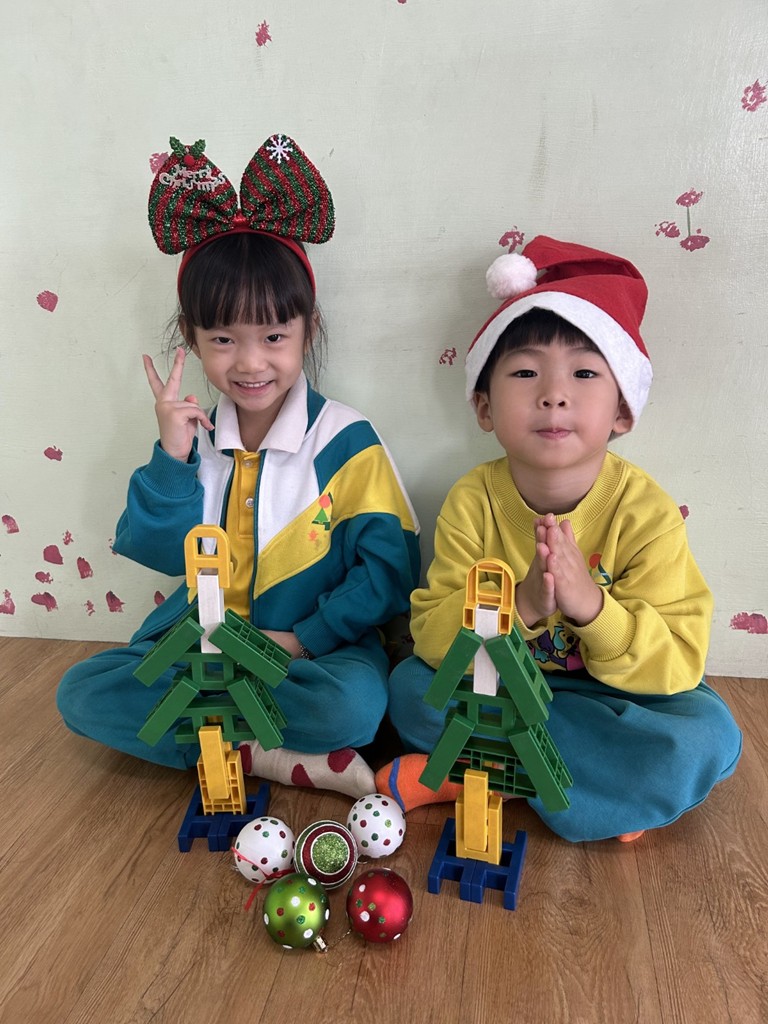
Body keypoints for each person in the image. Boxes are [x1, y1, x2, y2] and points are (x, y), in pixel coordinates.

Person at [57, 134, 420, 798]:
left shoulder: (347, 440)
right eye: (223, 339)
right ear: (191, 338)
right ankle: (266, 755)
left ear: (309, 329)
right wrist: (171, 457)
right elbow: (159, 552)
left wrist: (303, 639)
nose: (250, 363)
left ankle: (221, 739)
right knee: (81, 692)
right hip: (202, 644)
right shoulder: (192, 440)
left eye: (274, 337)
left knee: (355, 706)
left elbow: (389, 573)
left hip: (311, 656)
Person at [377, 235, 741, 841]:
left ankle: (478, 775)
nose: (553, 393)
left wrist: (593, 608)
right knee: (410, 690)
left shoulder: (645, 511)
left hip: (610, 699)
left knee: (708, 734)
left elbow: (679, 659)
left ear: (622, 410)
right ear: (484, 406)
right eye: (525, 372)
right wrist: (519, 605)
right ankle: (609, 790)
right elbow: (433, 640)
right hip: (500, 689)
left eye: (584, 372)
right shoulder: (472, 500)